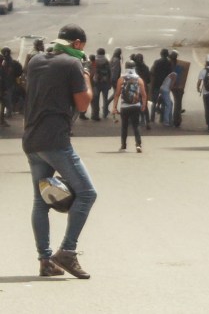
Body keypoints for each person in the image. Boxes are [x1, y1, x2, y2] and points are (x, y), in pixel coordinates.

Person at [23, 23, 97, 279]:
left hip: (32, 140)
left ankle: (45, 260)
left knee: (40, 201)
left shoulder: (35, 61)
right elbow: (83, 103)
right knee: (87, 193)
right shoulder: (73, 64)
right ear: (77, 44)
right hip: (55, 140)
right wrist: (86, 75)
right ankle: (67, 251)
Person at [112, 60, 147, 152]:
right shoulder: (139, 79)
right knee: (136, 125)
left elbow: (117, 94)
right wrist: (143, 104)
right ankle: (138, 145)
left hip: (125, 107)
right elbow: (143, 94)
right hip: (136, 105)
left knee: (124, 126)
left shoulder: (122, 79)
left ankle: (123, 145)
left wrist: (114, 107)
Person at [150, 48, 172, 123]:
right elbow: (171, 74)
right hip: (165, 84)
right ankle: (162, 119)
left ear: (161, 54)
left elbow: (152, 72)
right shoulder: (169, 63)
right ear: (167, 55)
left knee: (154, 102)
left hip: (156, 84)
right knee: (164, 102)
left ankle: (152, 118)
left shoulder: (156, 62)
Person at [91, 48, 111, 121]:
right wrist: (109, 82)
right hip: (105, 82)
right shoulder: (106, 61)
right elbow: (109, 72)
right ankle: (105, 113)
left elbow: (92, 71)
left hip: (96, 82)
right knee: (105, 99)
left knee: (96, 99)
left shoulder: (95, 61)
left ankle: (96, 114)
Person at [168, 50, 185, 127]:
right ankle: (176, 120)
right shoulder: (180, 66)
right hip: (178, 86)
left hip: (168, 85)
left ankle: (165, 118)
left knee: (167, 101)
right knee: (178, 103)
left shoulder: (167, 66)